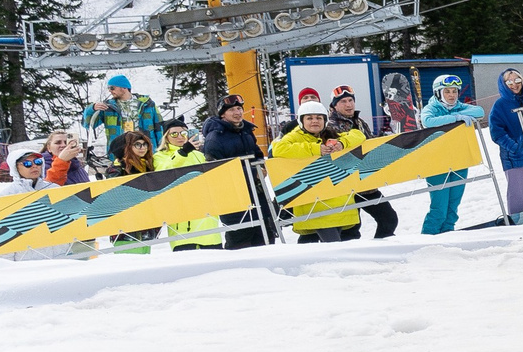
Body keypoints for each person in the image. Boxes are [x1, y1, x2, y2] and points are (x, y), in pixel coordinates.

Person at [271, 90, 367, 243]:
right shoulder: (294, 136)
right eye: (309, 118)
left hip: (337, 201)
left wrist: (342, 143)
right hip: (314, 203)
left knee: (310, 244)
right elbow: (278, 149)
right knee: (332, 245)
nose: (314, 121)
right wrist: (315, 149)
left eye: (318, 118)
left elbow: (358, 135)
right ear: (301, 121)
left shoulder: (330, 133)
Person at [325, 86, 400, 238]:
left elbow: (370, 144)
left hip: (366, 184)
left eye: (350, 100)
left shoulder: (359, 121)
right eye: (343, 101)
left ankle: (381, 248)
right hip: (346, 186)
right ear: (334, 105)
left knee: (389, 219)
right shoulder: (330, 126)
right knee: (351, 230)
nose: (348, 104)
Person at [415, 75, 486, 233]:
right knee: (439, 209)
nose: (452, 95)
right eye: (447, 91)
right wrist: (455, 118)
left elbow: (479, 111)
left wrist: (458, 112)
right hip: (437, 164)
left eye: (454, 91)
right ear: (438, 93)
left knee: (453, 207)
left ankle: (448, 235)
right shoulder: (432, 108)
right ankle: (428, 238)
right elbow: (428, 121)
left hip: (459, 161)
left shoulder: (459, 106)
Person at [198, 93, 269, 248]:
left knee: (265, 236)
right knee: (240, 240)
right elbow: (217, 171)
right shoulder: (214, 138)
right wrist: (252, 172)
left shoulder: (246, 131)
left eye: (239, 109)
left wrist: (261, 167)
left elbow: (257, 154)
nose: (237, 112)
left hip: (257, 193)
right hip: (233, 198)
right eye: (232, 110)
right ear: (222, 114)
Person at [152, 121, 223, 250]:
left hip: (207, 220)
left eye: (183, 133)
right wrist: (183, 152)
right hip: (183, 223)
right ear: (166, 137)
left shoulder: (199, 154)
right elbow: (163, 171)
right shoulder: (159, 156)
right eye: (174, 134)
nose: (180, 137)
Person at [488, 68, 523, 220]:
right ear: (503, 84)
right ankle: (517, 218)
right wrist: (513, 147)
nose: (514, 84)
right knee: (516, 190)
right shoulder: (500, 105)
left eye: (517, 80)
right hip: (514, 156)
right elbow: (496, 132)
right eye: (509, 81)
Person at [80, 74, 162, 161]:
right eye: (109, 88)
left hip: (144, 150)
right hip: (119, 153)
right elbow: (87, 124)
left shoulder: (147, 104)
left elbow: (159, 127)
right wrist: (91, 109)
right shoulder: (108, 107)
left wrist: (161, 149)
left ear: (124, 88)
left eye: (112, 88)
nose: (110, 91)